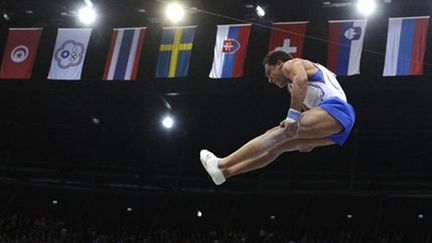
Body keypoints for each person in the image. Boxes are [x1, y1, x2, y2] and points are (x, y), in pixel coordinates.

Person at [200, 50, 356, 185]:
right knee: (277, 145)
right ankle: (226, 173)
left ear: (279, 63)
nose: (270, 80)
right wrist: (310, 140)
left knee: (278, 133)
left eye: (269, 73)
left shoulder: (292, 64)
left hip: (338, 110)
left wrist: (293, 117)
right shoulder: (292, 88)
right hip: (336, 128)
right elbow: (312, 111)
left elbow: (300, 80)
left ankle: (221, 164)